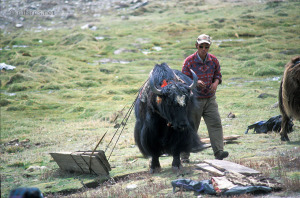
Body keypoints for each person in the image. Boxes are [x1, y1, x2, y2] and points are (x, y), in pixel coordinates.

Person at [181, 34, 229, 161]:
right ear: (196, 46)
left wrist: (215, 83)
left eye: (206, 47)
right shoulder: (189, 61)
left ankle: (219, 152)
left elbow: (218, 75)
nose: (203, 49)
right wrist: (195, 83)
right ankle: (184, 155)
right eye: (201, 46)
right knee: (191, 127)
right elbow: (182, 80)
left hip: (210, 99)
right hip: (194, 100)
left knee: (215, 123)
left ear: (209, 47)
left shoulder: (214, 60)